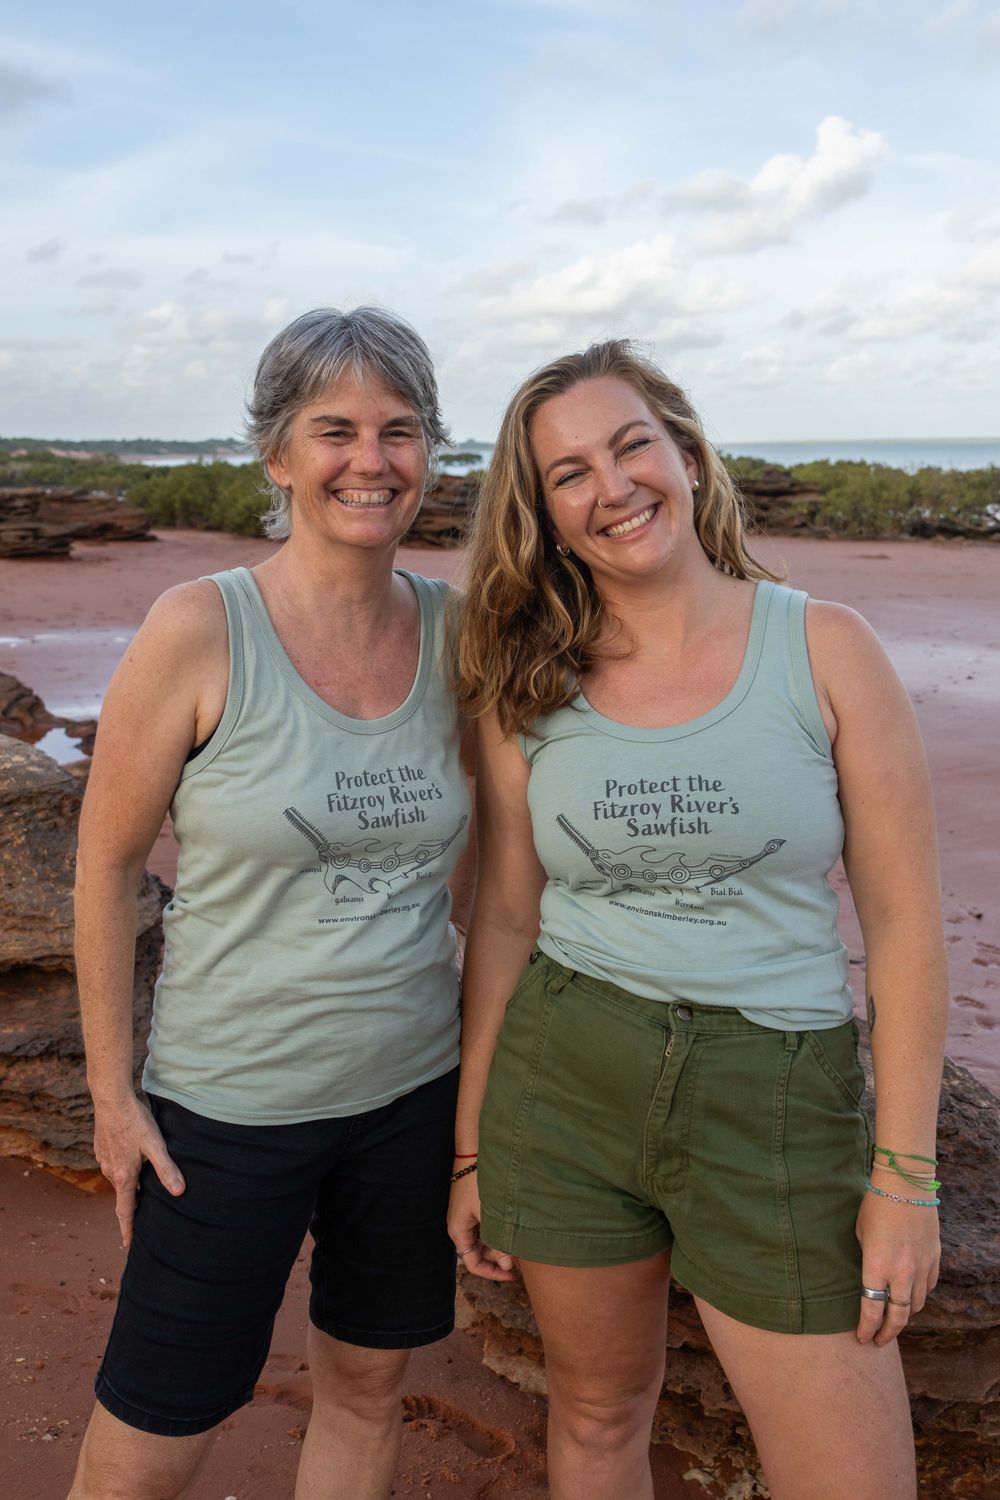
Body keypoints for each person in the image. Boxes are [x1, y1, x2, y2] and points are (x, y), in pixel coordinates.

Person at [448, 339, 947, 1500]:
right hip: (564, 1080)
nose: (612, 487)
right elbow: (508, 917)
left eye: (631, 445)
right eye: (569, 473)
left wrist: (904, 1177)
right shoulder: (528, 677)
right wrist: (474, 1144)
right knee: (595, 1419)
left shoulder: (824, 646)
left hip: (769, 1090)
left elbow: (905, 922)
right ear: (546, 516)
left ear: (684, 451)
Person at [70, 306, 473, 1500]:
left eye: (400, 431)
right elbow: (104, 865)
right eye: (335, 428)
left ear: (428, 454)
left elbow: (500, 873)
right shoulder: (201, 628)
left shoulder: (456, 633)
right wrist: (109, 1092)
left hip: (411, 1095)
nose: (371, 459)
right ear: (277, 452)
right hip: (226, 1110)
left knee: (366, 1389)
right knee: (158, 1433)